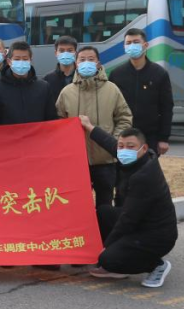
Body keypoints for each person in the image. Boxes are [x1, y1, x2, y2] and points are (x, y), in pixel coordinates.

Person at [80, 123, 176, 288]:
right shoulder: (138, 157)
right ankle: (122, 258)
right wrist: (89, 127)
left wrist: (106, 247)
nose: (124, 150)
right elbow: (110, 142)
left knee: (107, 259)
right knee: (103, 211)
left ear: (143, 148)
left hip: (157, 235)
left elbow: (128, 219)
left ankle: (156, 265)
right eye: (121, 146)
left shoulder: (144, 176)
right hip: (140, 224)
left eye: (130, 147)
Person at [55, 46, 133, 207]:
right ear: (76, 63)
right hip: (76, 162)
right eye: (82, 59)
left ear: (98, 63)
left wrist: (113, 142)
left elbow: (124, 118)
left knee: (105, 206)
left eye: (91, 59)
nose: (86, 63)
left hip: (105, 161)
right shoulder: (66, 92)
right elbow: (58, 122)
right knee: (78, 206)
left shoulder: (112, 89)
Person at [109, 27, 174, 155]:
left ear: (145, 45)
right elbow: (110, 106)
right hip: (122, 135)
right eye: (128, 43)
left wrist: (164, 138)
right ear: (124, 47)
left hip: (150, 136)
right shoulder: (116, 74)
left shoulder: (159, 73)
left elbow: (166, 107)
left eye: (136, 42)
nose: (132, 46)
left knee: (148, 167)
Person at [0, 40, 58, 125]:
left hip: (38, 133)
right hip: (8, 134)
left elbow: (51, 119)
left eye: (25, 59)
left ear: (30, 61)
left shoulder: (43, 87)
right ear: (9, 61)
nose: (21, 62)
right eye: (17, 59)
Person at [43, 35, 79, 108]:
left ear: (75, 53)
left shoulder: (82, 76)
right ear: (56, 53)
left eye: (70, 50)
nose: (65, 54)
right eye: (61, 51)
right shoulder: (47, 79)